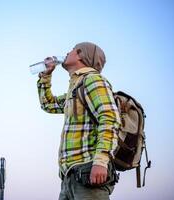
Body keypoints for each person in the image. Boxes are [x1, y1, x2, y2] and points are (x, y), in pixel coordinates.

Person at [37, 42, 121, 200]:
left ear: (82, 55)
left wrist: (101, 161)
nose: (67, 52)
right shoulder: (76, 87)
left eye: (72, 49)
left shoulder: (93, 80)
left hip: (88, 174)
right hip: (69, 177)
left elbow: (109, 118)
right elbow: (48, 104)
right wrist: (46, 75)